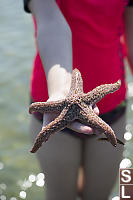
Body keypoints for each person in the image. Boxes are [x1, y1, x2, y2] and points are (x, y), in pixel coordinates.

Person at [23, 0, 133, 199]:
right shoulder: (57, 104)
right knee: (60, 195)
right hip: (51, 108)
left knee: (99, 195)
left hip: (112, 110)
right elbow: (50, 22)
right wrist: (60, 90)